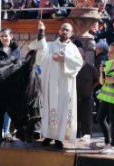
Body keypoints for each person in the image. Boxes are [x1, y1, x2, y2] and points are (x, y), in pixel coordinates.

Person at [28, 21, 83, 149]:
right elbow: (40, 55)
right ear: (59, 31)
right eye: (63, 29)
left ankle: (59, 138)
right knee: (49, 108)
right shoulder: (50, 45)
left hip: (65, 85)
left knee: (63, 109)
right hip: (50, 83)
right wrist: (41, 32)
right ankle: (47, 135)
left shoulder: (73, 48)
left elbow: (79, 64)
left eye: (67, 30)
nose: (64, 32)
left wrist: (64, 59)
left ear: (71, 33)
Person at [76, 52, 100, 142]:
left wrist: (91, 88)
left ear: (83, 57)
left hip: (87, 98)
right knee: (74, 121)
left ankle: (87, 138)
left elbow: (98, 80)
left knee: (86, 120)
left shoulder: (90, 68)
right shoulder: (72, 68)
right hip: (74, 99)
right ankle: (75, 137)